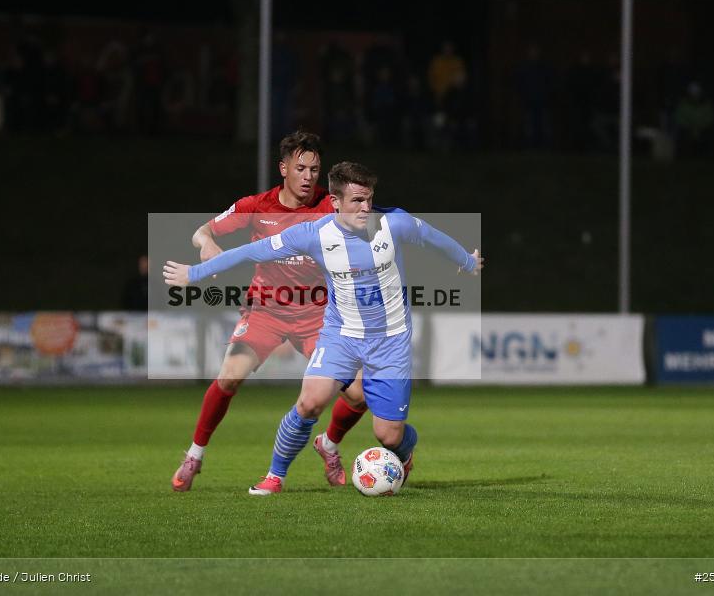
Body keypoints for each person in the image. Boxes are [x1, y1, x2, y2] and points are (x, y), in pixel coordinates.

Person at [164, 161, 483, 495]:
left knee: (388, 435)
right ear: (334, 202)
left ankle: (403, 451)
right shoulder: (312, 234)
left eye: (368, 199)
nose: (365, 208)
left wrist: (467, 261)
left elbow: (433, 237)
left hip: (391, 342)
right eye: (356, 200)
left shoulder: (394, 224)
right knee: (309, 402)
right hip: (340, 337)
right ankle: (275, 476)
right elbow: (249, 251)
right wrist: (195, 274)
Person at [170, 132, 367, 492]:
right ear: (283, 168)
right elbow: (201, 231)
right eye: (301, 168)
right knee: (229, 377)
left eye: (315, 170)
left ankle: (329, 444)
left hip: (318, 317)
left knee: (359, 395)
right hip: (266, 311)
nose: (308, 177)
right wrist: (208, 243)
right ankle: (195, 455)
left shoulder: (329, 206)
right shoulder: (255, 206)